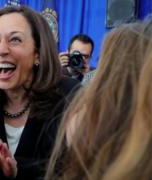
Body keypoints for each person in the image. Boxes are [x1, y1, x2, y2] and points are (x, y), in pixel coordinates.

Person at [0, 6, 79, 179]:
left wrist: (17, 169)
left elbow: (73, 167)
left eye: (15, 40)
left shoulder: (69, 95)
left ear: (38, 53)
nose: (1, 49)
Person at [45, 19, 152, 180]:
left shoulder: (95, 77)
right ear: (67, 52)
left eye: (85, 57)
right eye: (76, 55)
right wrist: (57, 69)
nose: (79, 60)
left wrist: (88, 75)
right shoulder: (56, 76)